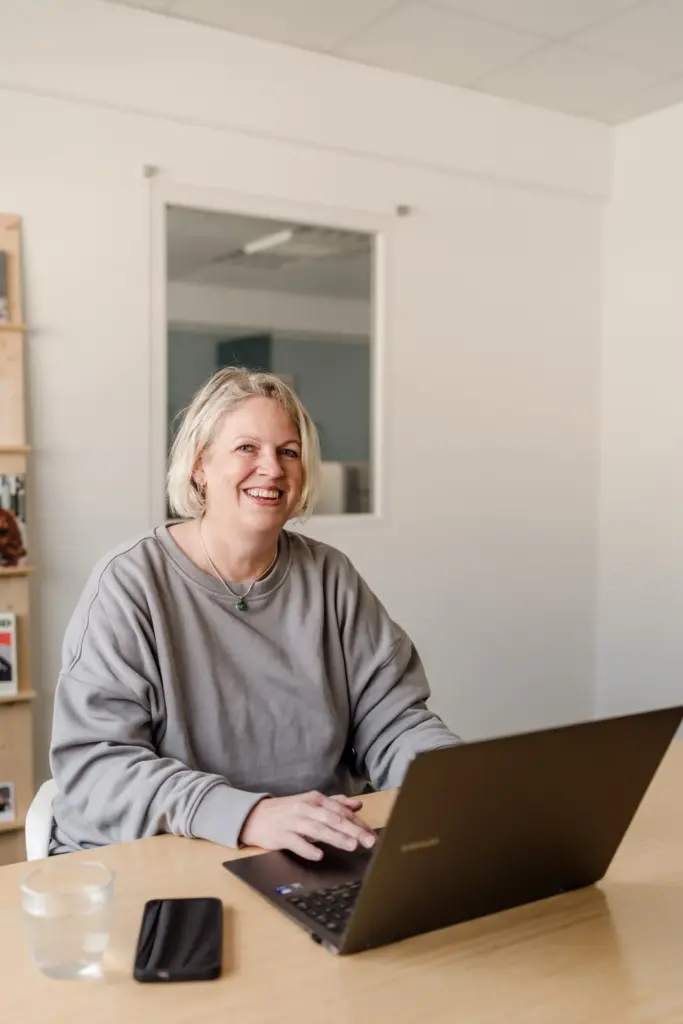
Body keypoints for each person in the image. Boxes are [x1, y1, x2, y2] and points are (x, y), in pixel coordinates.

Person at [50, 368, 459, 858]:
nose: (272, 467)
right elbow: (97, 765)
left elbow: (395, 722)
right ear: (200, 465)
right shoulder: (129, 584)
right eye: (247, 448)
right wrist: (244, 814)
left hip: (306, 850)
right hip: (162, 853)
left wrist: (455, 785)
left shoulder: (330, 576)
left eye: (288, 451)